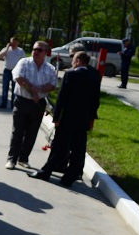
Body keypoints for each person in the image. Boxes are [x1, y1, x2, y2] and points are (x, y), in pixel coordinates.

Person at [30, 51, 101, 187]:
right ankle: (70, 177)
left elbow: (62, 98)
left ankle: (46, 172)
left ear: (79, 61)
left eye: (73, 60)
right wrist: (91, 117)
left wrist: (56, 117)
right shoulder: (94, 76)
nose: (72, 63)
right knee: (77, 149)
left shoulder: (71, 75)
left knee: (58, 147)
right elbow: (95, 100)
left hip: (68, 118)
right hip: (83, 120)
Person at [6, 40, 57, 170]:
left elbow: (53, 85)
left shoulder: (50, 68)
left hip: (38, 104)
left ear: (45, 52)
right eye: (34, 49)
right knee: (17, 131)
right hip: (22, 101)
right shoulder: (24, 62)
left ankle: (23, 158)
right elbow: (18, 78)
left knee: (32, 132)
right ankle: (12, 159)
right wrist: (32, 90)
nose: (35, 52)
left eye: (39, 50)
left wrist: (38, 91)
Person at [0, 36, 25, 108]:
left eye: (15, 43)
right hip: (7, 71)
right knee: (5, 88)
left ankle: (14, 105)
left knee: (14, 89)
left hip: (16, 72)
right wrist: (6, 48)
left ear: (17, 43)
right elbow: (0, 56)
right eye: (12, 42)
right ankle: (4, 103)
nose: (14, 44)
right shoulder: (7, 50)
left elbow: (24, 61)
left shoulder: (20, 51)